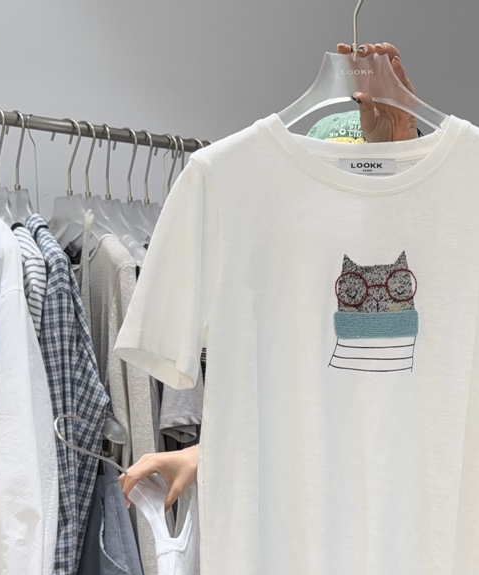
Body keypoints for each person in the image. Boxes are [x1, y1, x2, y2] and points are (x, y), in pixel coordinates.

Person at [119, 41, 417, 510]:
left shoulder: (440, 242)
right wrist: (208, 452)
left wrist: (400, 158)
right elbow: (287, 405)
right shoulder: (268, 274)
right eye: (330, 185)